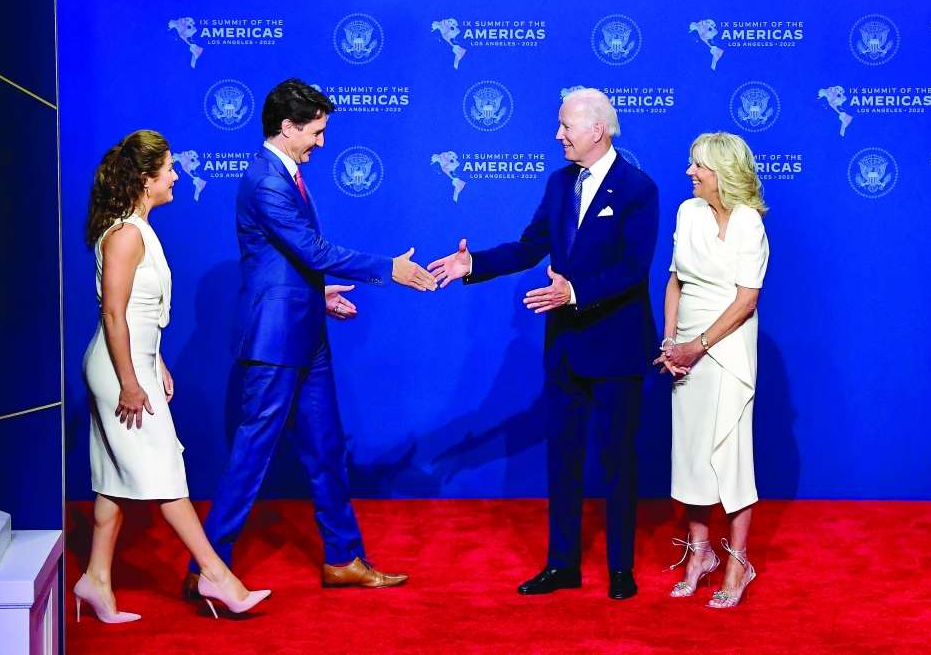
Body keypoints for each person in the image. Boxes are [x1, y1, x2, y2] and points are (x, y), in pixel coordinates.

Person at [185, 79, 435, 595]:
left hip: (305, 330)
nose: (322, 142)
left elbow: (287, 263)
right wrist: (390, 269)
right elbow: (313, 252)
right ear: (287, 127)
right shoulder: (266, 181)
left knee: (325, 449)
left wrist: (315, 297)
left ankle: (343, 559)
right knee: (252, 456)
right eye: (316, 132)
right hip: (275, 340)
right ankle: (204, 570)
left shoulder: (286, 172)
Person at [428, 88, 659, 600]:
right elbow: (531, 246)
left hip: (616, 348)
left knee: (618, 459)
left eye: (565, 127)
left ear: (596, 130)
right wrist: (474, 265)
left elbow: (634, 269)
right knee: (564, 459)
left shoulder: (638, 188)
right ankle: (563, 565)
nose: (558, 136)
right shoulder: (559, 184)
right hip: (566, 349)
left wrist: (574, 291)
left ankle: (621, 568)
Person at [78, 130, 270, 622]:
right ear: (146, 179)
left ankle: (96, 579)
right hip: (118, 368)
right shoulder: (124, 233)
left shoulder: (140, 228)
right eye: (168, 168)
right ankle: (217, 576)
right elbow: (114, 315)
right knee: (167, 475)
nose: (176, 175)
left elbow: (144, 313)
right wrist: (129, 380)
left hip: (135, 361)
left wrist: (155, 360)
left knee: (114, 482)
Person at [654, 131, 769, 609]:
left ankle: (738, 562)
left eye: (697, 165)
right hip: (685, 350)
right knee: (695, 454)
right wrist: (670, 341)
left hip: (727, 349)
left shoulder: (749, 224)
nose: (689, 173)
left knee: (731, 454)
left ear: (722, 171)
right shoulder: (688, 212)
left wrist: (696, 347)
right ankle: (698, 556)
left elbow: (746, 301)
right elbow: (675, 283)